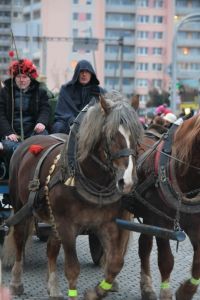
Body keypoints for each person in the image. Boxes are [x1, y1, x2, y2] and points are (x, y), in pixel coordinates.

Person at [0, 58, 52, 176]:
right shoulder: (5, 92)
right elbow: (1, 114)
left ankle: (38, 173)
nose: (22, 80)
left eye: (25, 77)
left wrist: (41, 122)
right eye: (19, 77)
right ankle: (12, 173)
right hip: (13, 134)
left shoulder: (40, 92)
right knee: (8, 146)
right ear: (14, 77)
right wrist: (8, 132)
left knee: (44, 142)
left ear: (31, 77)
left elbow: (45, 109)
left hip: (34, 132)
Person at [52, 59, 105, 134]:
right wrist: (73, 121)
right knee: (58, 127)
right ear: (77, 73)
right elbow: (61, 112)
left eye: (87, 72)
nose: (84, 74)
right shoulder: (66, 89)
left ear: (91, 74)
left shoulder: (100, 92)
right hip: (68, 123)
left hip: (91, 124)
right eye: (81, 71)